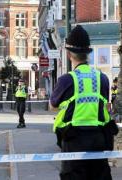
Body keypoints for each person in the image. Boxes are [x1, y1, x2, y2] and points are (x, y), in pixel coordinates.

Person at [49, 25, 118, 180]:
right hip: (99, 139)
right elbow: (105, 106)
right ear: (88, 53)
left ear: (68, 55)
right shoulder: (103, 79)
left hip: (74, 140)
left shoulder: (66, 80)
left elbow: (52, 106)